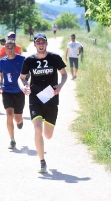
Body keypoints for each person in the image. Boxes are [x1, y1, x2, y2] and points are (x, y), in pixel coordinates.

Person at [19, 33, 67, 173]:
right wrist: (24, 86)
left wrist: (60, 86)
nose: (40, 44)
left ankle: (43, 156)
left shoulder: (55, 58)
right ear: (34, 44)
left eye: (43, 42)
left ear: (46, 44)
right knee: (38, 128)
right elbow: (21, 78)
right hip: (35, 98)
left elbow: (64, 74)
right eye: (38, 42)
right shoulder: (29, 61)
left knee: (48, 135)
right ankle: (42, 161)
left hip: (51, 98)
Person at [0, 40, 25, 149]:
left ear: (15, 48)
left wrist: (26, 82)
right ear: (5, 49)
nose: (10, 49)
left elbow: (28, 73)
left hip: (19, 91)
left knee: (17, 118)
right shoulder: (2, 62)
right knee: (9, 114)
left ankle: (20, 121)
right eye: (7, 47)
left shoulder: (22, 60)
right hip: (7, 91)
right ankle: (12, 140)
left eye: (12, 47)